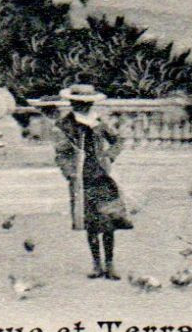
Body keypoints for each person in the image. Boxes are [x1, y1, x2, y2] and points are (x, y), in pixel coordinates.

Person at [46, 83, 130, 280]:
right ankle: (96, 265)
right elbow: (61, 154)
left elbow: (119, 140)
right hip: (82, 180)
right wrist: (71, 173)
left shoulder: (99, 122)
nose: (82, 106)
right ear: (72, 103)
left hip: (103, 176)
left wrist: (109, 156)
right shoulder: (64, 126)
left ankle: (110, 265)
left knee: (109, 221)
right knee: (91, 223)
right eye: (78, 103)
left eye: (86, 103)